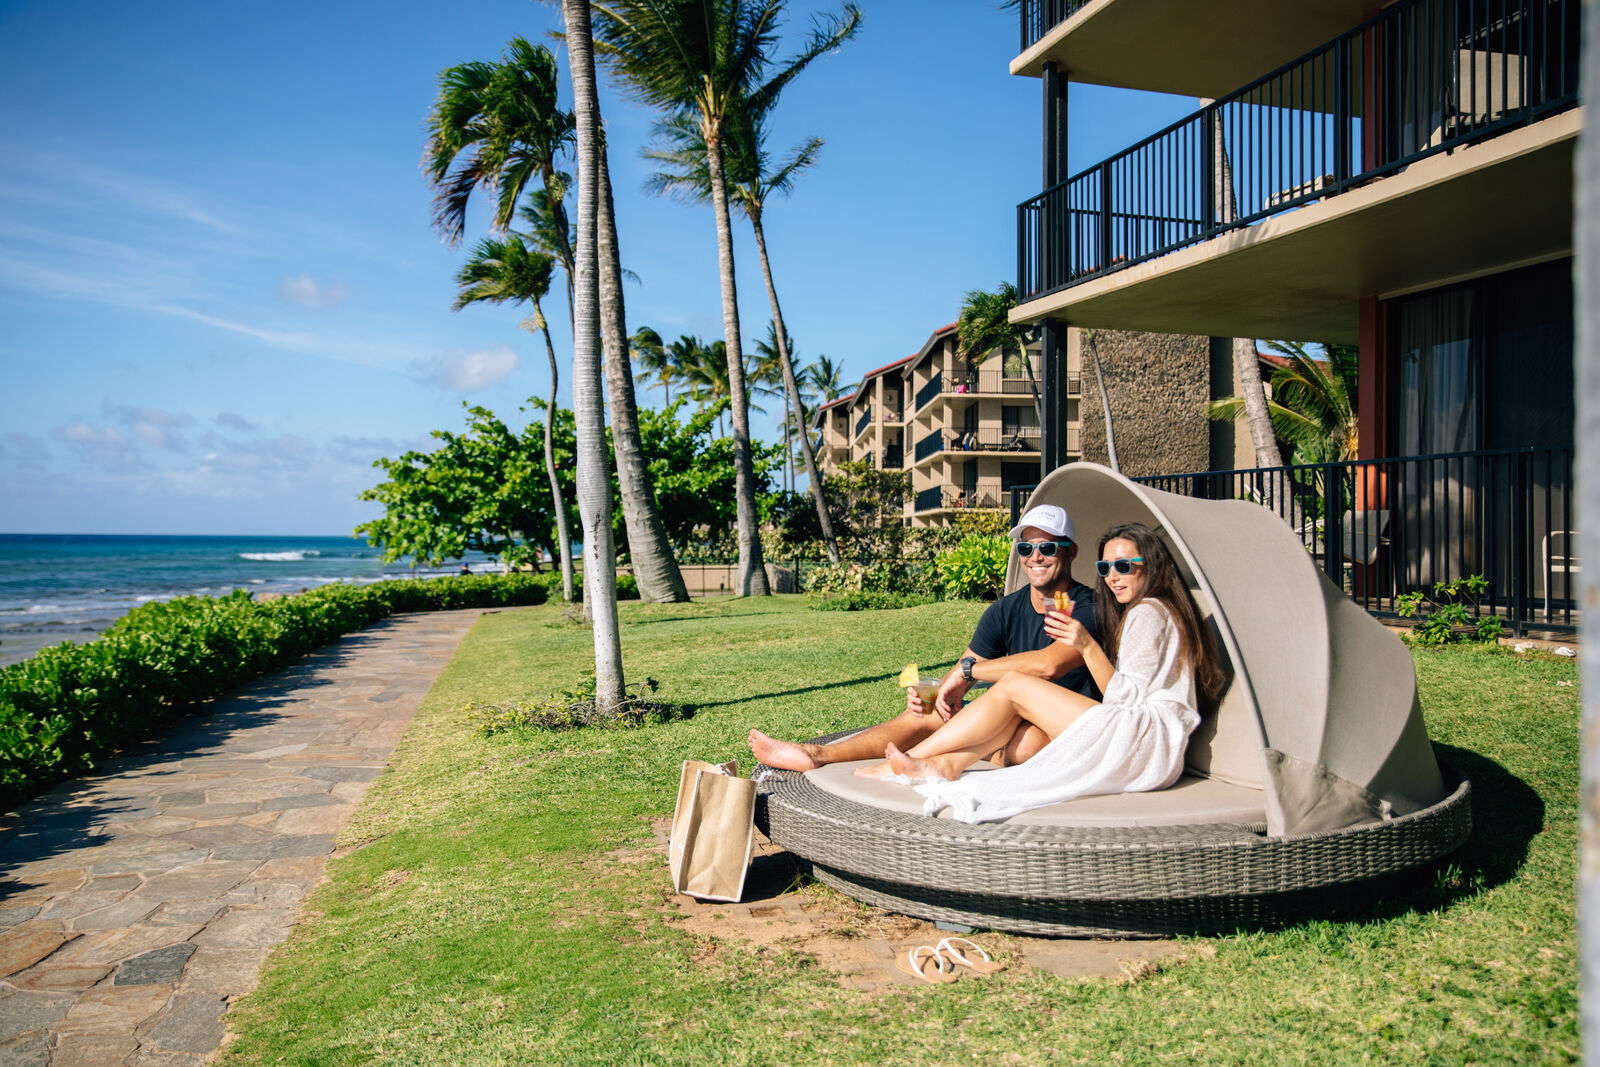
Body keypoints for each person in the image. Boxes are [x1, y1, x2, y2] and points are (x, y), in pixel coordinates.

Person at [864, 522, 1226, 825]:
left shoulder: (1147, 612)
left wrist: (1086, 647)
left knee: (1016, 685)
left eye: (1123, 566)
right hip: (1152, 748)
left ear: (1151, 565)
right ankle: (943, 764)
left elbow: (1126, 699)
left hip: (1142, 744)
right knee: (1013, 701)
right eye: (1105, 569)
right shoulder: (1160, 610)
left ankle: (906, 763)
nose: (1113, 578)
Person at [749, 504, 1099, 773]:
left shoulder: (1090, 607)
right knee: (929, 714)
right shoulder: (1004, 611)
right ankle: (816, 754)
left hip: (1059, 725)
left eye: (1048, 548)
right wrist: (932, 699)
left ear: (1070, 552)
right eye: (1026, 548)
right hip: (1005, 717)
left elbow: (1048, 665)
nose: (1035, 556)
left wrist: (971, 672)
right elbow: (959, 672)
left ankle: (964, 752)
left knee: (1027, 745)